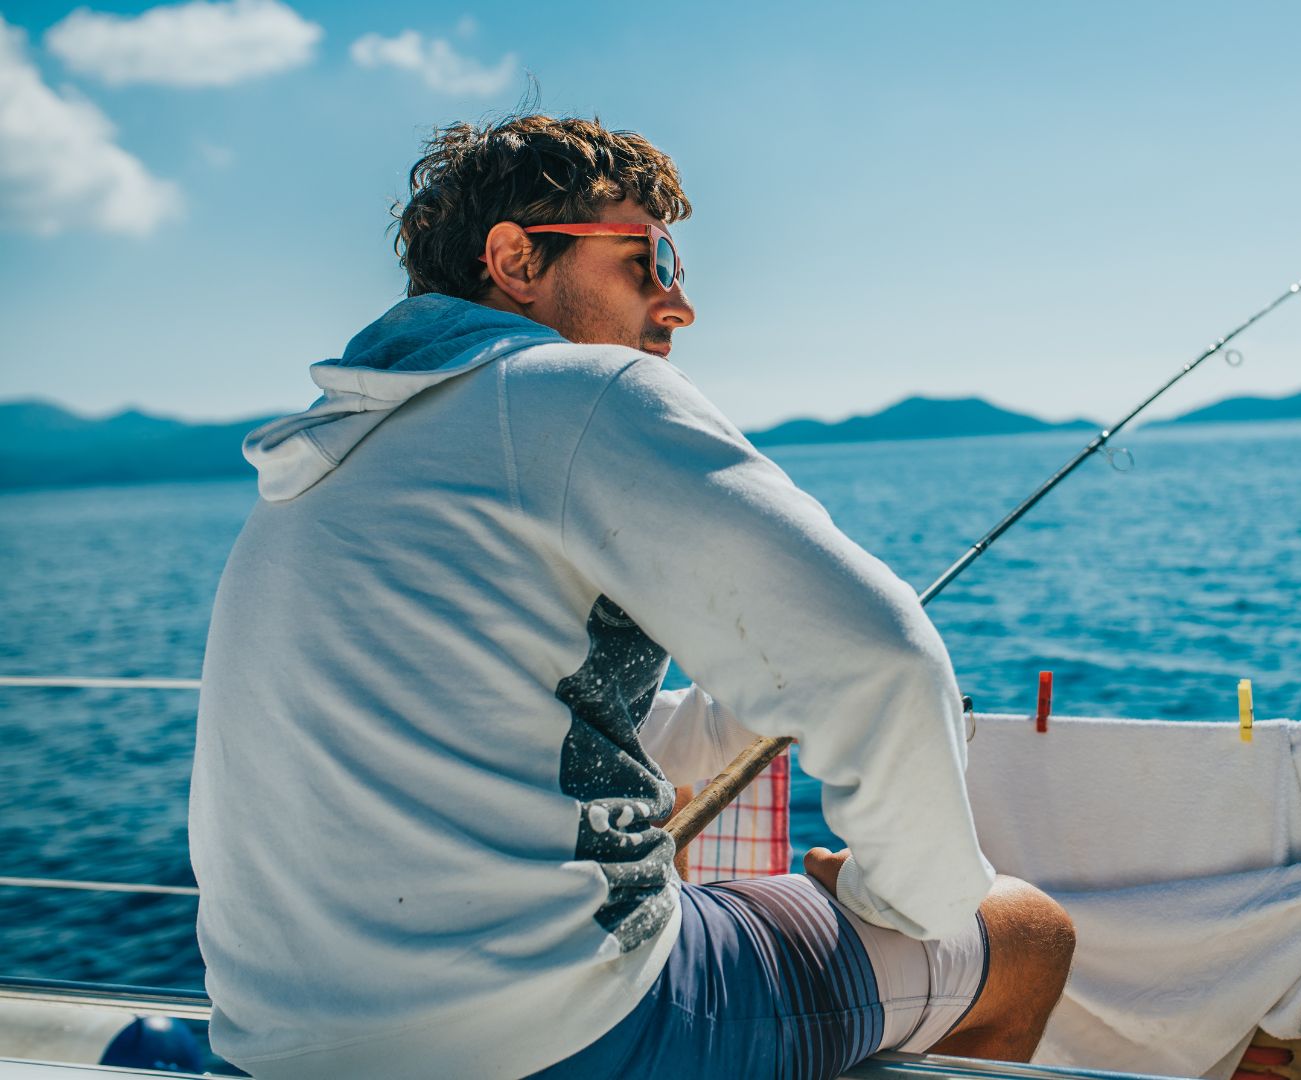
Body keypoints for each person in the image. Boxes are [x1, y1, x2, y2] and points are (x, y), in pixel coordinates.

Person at [188, 113, 1074, 1080]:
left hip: (272, 1047)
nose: (678, 303)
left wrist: (724, 718)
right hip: (554, 1036)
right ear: (516, 260)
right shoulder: (573, 390)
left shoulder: (318, 464)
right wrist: (904, 902)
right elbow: (883, 660)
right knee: (1023, 933)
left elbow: (489, 715)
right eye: (647, 259)